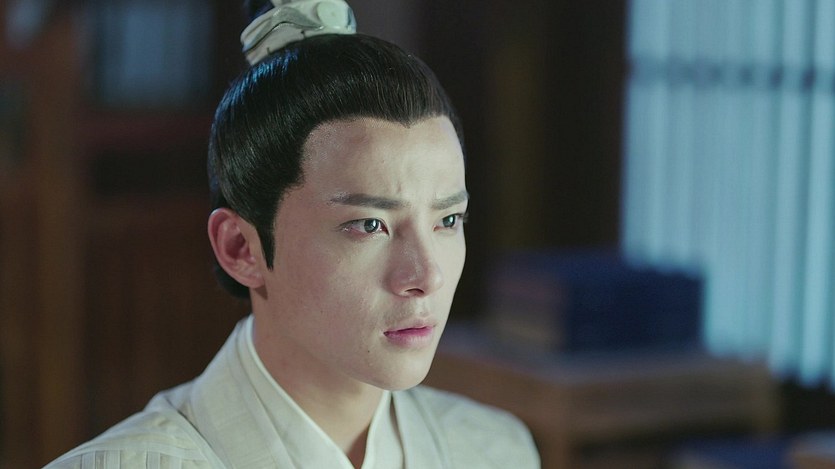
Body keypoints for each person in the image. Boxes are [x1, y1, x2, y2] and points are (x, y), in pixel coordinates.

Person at [46, 0, 540, 467]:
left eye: (447, 221)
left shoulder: (495, 451)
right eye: (369, 225)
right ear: (241, 248)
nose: (426, 276)